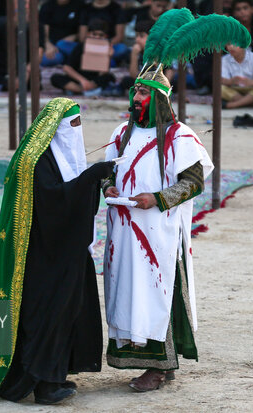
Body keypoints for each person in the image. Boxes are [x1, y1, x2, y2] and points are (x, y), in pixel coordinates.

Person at [0, 97, 114, 404]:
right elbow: (53, 202)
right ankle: (45, 385)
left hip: (63, 249)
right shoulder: (36, 162)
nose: (77, 131)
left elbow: (67, 196)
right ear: (55, 128)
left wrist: (90, 178)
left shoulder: (54, 155)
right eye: (72, 125)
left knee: (70, 310)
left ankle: (57, 373)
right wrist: (92, 176)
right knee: (51, 314)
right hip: (42, 258)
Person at [102, 68, 214, 392]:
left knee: (156, 294)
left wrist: (158, 199)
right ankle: (137, 360)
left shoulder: (180, 137)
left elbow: (193, 183)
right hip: (123, 229)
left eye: (143, 93)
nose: (136, 98)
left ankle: (160, 367)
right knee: (126, 290)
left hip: (158, 232)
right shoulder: (122, 132)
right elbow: (107, 171)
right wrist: (108, 187)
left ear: (159, 100)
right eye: (134, 92)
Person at [50, 19, 116, 95]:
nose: (97, 37)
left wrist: (108, 57)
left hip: (94, 80)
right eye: (94, 34)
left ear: (105, 36)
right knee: (55, 78)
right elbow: (67, 68)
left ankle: (79, 90)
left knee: (110, 78)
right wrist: (83, 81)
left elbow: (102, 73)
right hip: (78, 78)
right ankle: (83, 90)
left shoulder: (106, 48)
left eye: (101, 35)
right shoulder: (81, 47)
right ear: (88, 34)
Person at [221, 43, 253, 108]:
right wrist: (232, 81)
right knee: (220, 89)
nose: (231, 47)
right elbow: (223, 80)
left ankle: (232, 105)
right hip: (234, 89)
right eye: (228, 44)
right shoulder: (224, 59)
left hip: (252, 88)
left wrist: (250, 82)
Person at [40, 0, 85, 66]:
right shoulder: (47, 6)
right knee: (47, 59)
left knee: (62, 44)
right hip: (53, 44)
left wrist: (75, 36)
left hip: (71, 45)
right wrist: (47, 44)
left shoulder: (80, 5)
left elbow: (84, 30)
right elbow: (43, 29)